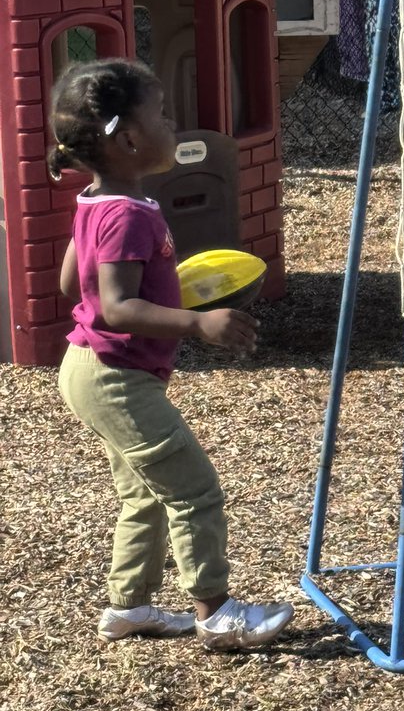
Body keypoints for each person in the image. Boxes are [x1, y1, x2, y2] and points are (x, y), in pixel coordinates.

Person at [51, 59, 296, 650]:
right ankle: (216, 613)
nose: (172, 123)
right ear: (129, 139)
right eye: (160, 114)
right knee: (193, 490)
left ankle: (129, 607)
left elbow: (70, 285)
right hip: (115, 377)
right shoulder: (126, 214)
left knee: (144, 493)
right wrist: (198, 321)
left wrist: (164, 285)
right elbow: (115, 307)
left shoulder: (99, 200)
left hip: (93, 367)